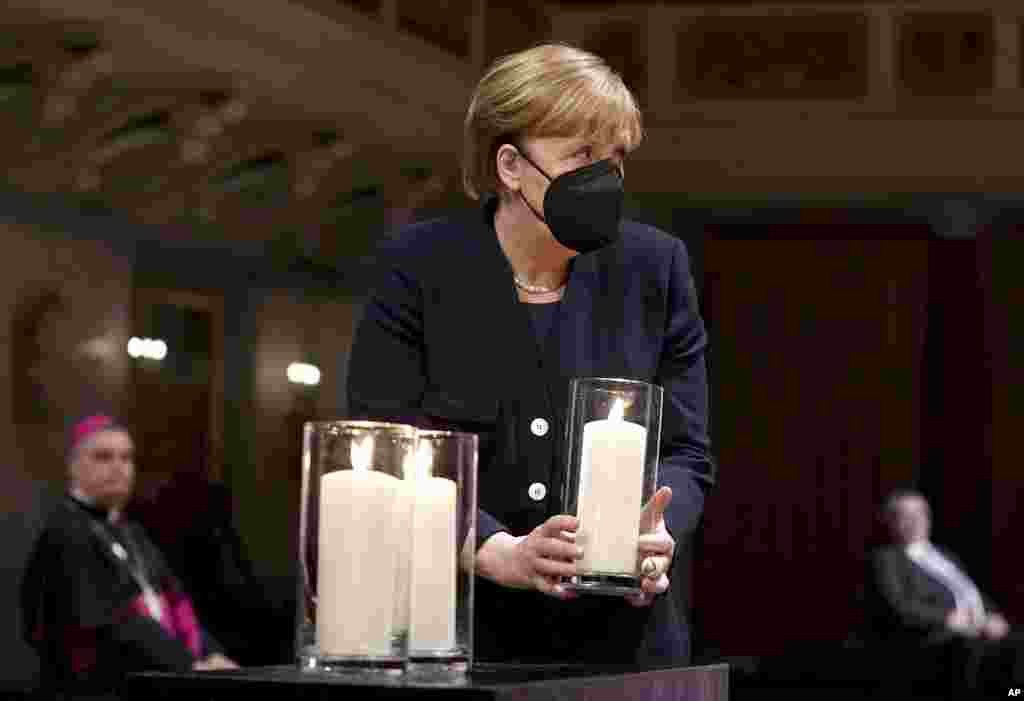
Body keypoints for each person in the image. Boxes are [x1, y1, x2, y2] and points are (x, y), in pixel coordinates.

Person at [346, 42, 714, 666]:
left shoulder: (655, 266)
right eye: (582, 156)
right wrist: (498, 551)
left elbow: (686, 450)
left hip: (623, 648)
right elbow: (389, 448)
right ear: (511, 166)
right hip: (462, 635)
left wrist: (658, 535)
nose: (607, 178)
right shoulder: (418, 267)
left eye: (616, 158)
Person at [20, 415, 239, 698]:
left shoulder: (131, 532)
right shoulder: (66, 533)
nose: (118, 467)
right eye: (103, 457)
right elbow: (113, 623)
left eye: (126, 458)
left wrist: (212, 656)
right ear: (74, 467)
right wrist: (190, 666)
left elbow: (175, 605)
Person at [866, 488, 1021, 693]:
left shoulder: (945, 554)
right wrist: (946, 618)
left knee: (1018, 645)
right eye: (906, 515)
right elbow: (898, 605)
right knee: (973, 651)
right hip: (935, 637)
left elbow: (969, 592)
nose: (916, 521)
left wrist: (992, 616)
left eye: (921, 513)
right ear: (891, 521)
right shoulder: (886, 559)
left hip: (976, 627)